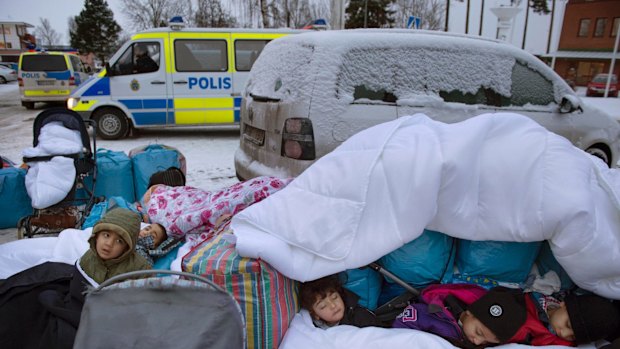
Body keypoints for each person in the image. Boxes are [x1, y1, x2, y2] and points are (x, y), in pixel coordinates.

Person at [0, 208, 151, 349]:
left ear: (127, 247)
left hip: (106, 321)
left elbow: (139, 308)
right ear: (97, 235)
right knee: (25, 305)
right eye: (106, 235)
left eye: (119, 241)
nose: (109, 244)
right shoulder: (89, 258)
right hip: (78, 307)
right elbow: (76, 291)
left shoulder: (140, 269)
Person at [393, 285, 527, 348]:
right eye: (478, 333)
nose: (477, 342)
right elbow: (401, 327)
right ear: (470, 313)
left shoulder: (477, 339)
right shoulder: (433, 313)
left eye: (487, 342)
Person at [527, 291, 620, 345]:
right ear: (564, 304)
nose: (563, 334)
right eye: (567, 324)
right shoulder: (537, 292)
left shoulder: (557, 343)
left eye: (572, 337)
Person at [299, 274, 389, 329]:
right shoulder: (312, 328)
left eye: (334, 297)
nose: (333, 306)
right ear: (315, 315)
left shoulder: (361, 318)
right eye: (323, 306)